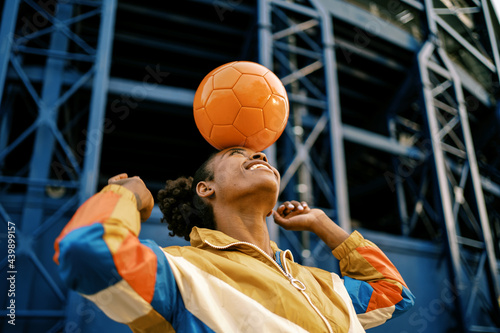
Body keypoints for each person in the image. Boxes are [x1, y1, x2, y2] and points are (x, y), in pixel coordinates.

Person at [53, 146, 415, 333]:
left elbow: (395, 294)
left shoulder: (323, 285)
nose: (259, 154)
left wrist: (323, 224)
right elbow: (89, 250)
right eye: (235, 154)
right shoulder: (183, 273)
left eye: (258, 154)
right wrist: (125, 195)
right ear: (205, 188)